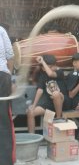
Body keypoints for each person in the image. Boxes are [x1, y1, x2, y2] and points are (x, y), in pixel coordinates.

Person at [27, 55, 70, 133]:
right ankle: (31, 136)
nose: (44, 68)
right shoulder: (43, 75)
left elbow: (50, 74)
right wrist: (33, 105)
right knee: (31, 112)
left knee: (55, 93)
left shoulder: (59, 72)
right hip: (49, 105)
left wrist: (42, 61)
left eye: (50, 66)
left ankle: (58, 118)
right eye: (44, 67)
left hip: (62, 102)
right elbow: (40, 90)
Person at [0, 25, 15, 165]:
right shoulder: (1, 30)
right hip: (2, 77)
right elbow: (10, 56)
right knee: (3, 119)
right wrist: (9, 75)